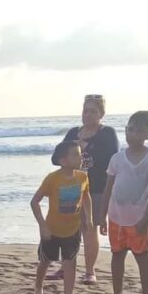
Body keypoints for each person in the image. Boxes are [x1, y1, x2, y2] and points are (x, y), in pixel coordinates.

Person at [101, 111, 148, 294]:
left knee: (142, 256)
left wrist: (147, 218)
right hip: (116, 217)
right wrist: (102, 216)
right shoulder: (117, 158)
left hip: (138, 219)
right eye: (130, 129)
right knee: (117, 255)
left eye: (139, 130)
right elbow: (108, 188)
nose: (133, 134)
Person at [61, 95, 119, 283]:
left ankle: (89, 271)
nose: (88, 114)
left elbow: (112, 158)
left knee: (89, 227)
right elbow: (57, 157)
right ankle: (65, 268)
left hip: (96, 187)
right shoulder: (73, 132)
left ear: (101, 113)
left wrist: (87, 146)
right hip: (70, 186)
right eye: (86, 110)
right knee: (68, 228)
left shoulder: (107, 133)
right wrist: (71, 148)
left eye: (93, 111)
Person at [32, 141, 92, 294]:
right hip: (52, 230)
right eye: (75, 154)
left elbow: (86, 197)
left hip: (73, 229)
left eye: (80, 154)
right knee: (45, 260)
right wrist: (42, 226)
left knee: (70, 262)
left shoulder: (83, 176)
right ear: (63, 160)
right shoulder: (52, 179)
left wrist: (89, 218)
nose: (80, 157)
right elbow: (34, 202)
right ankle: (38, 286)